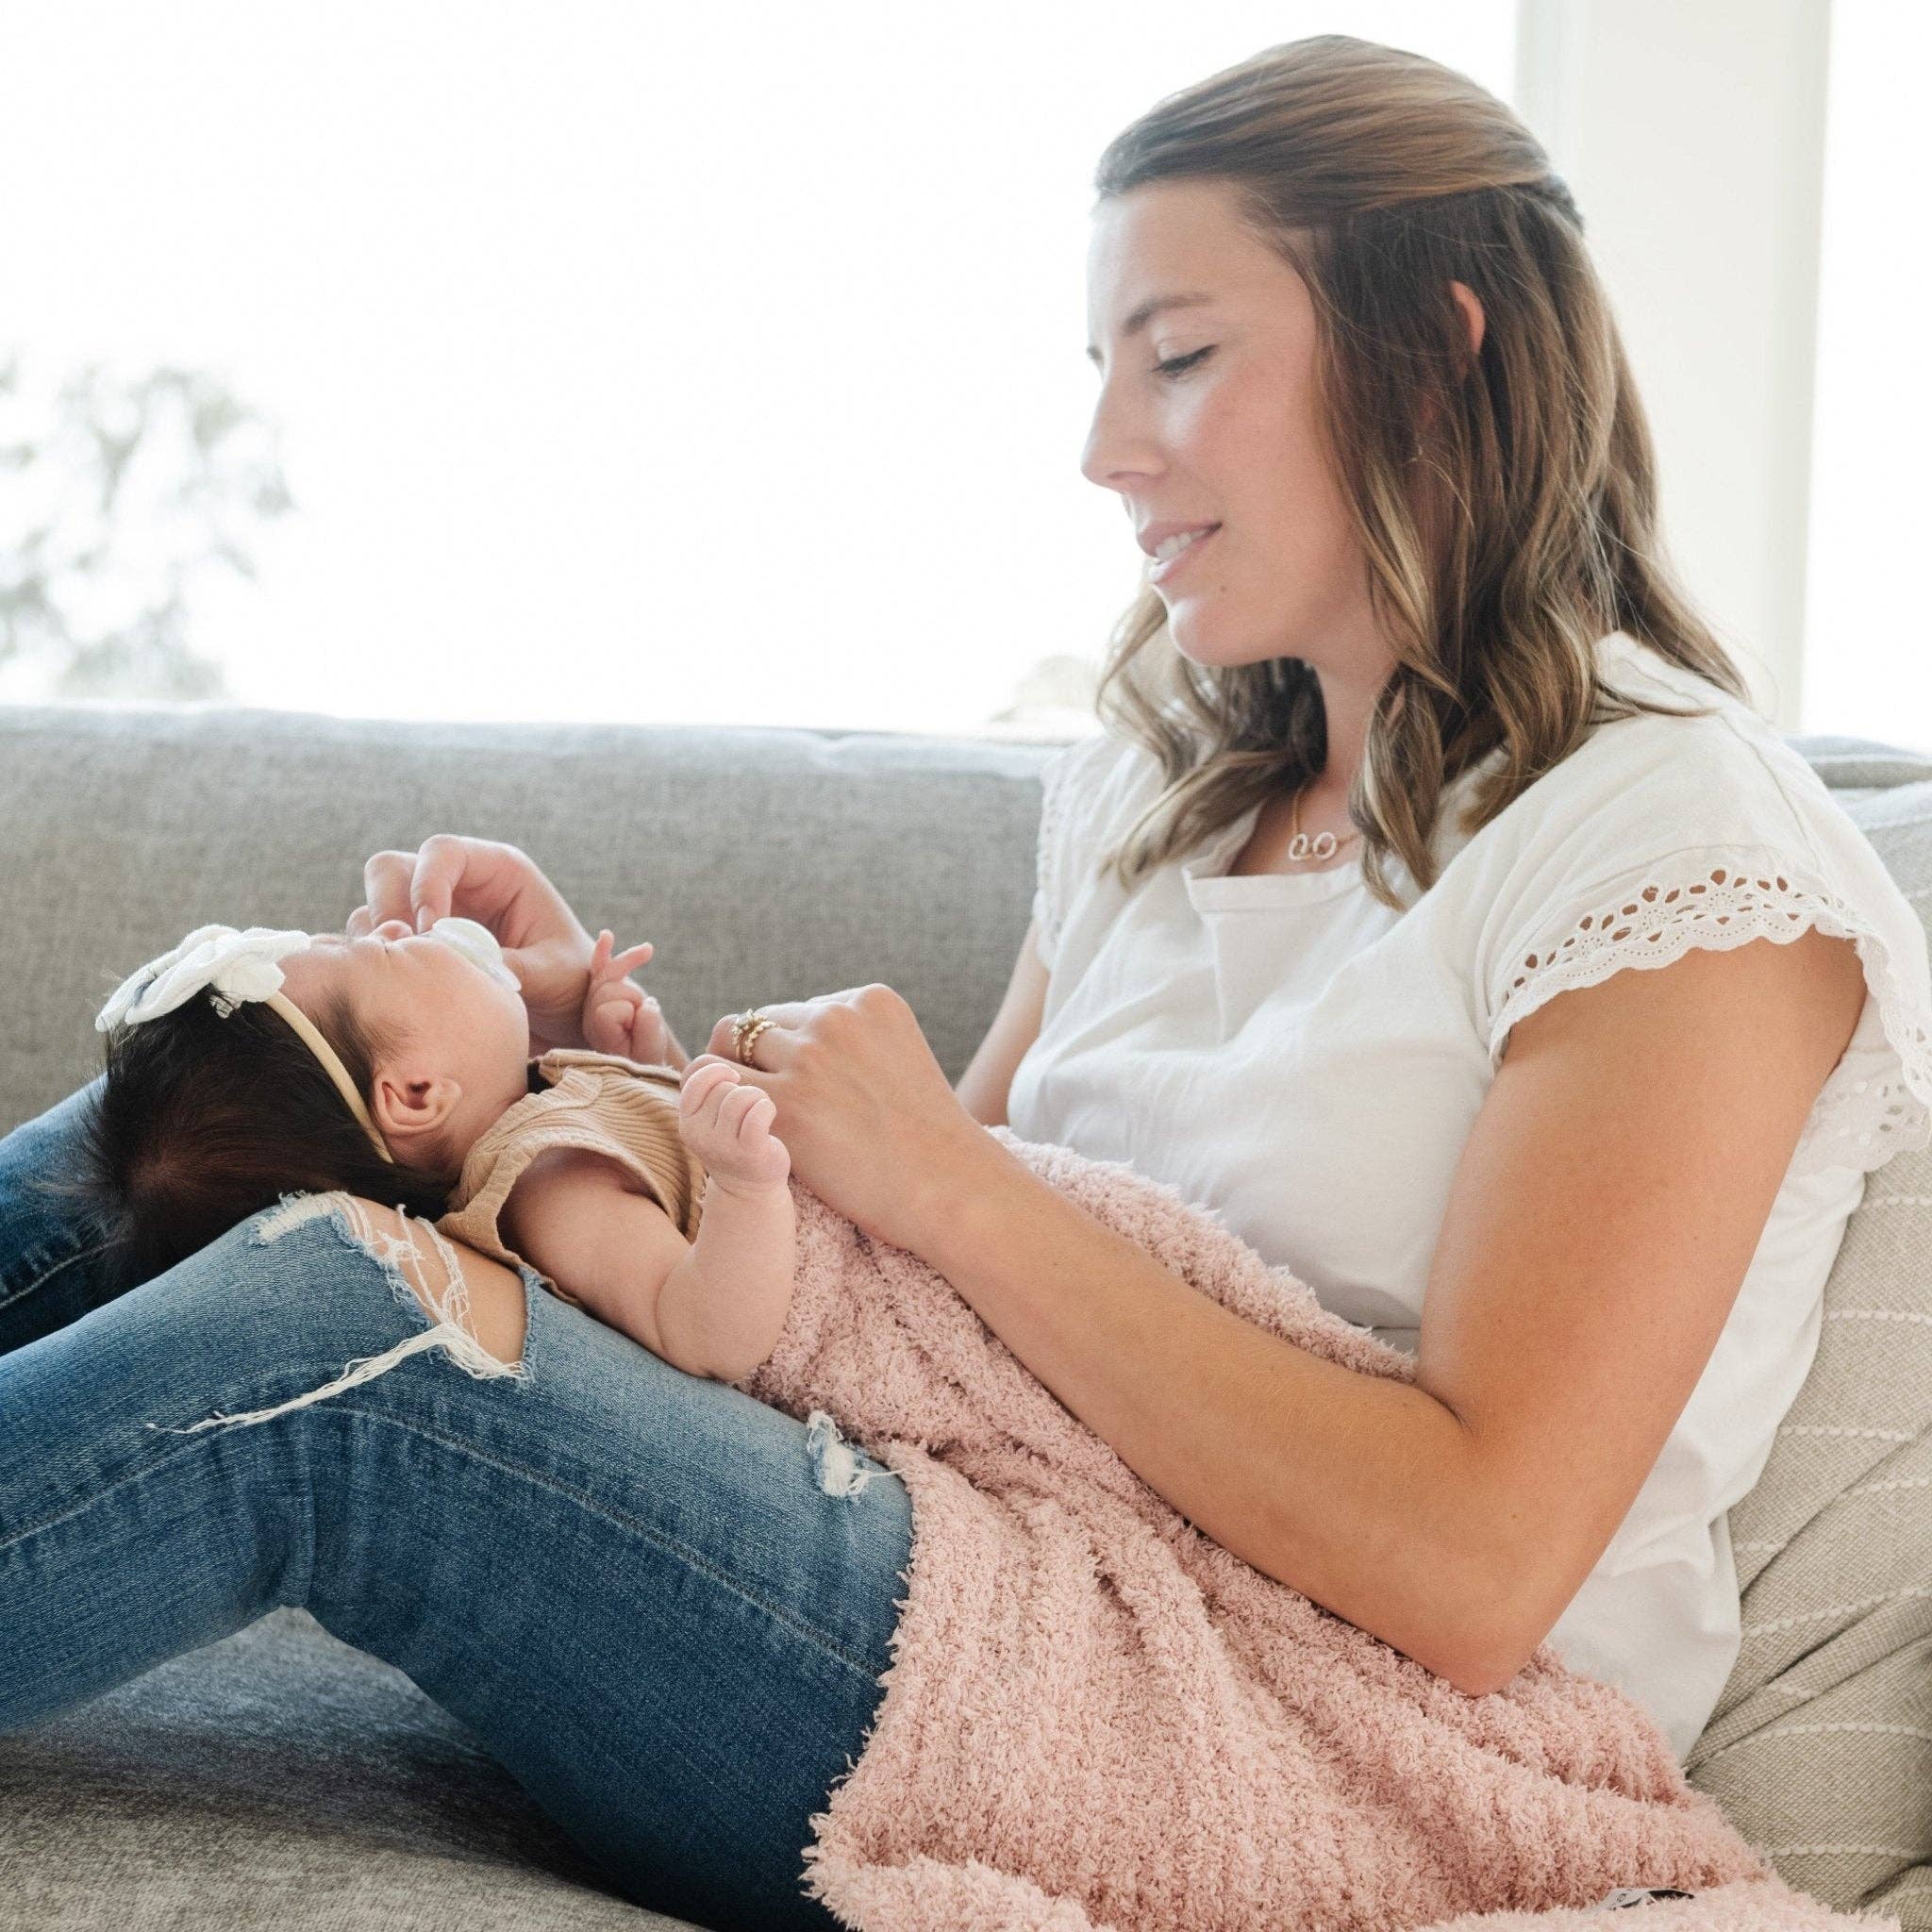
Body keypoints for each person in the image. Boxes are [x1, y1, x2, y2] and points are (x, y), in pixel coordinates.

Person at [4, 30, 1928, 1930]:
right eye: (1102, 370)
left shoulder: (1670, 847)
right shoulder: (1165, 800)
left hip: (1298, 1725)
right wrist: (612, 1085)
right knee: (207, 1086)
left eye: (1179, 357)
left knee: (338, 1344)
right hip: (985, 1558)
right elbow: (921, 1311)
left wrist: (945, 1178)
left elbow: (1474, 1563)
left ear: (1438, 349)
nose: (1104, 449)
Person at [57, 915, 799, 1390]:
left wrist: (636, 1065)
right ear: (414, 1094)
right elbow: (706, 1331)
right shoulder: (548, 1187)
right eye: (378, 953)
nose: (391, 926)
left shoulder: (546, 1122)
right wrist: (748, 1187)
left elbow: (672, 1198)